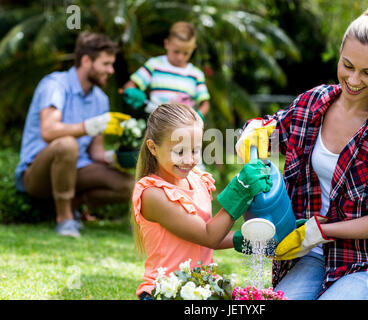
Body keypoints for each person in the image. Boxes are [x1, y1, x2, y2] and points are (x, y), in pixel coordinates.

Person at [236, 8, 368, 299]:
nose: (354, 79)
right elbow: (273, 132)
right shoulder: (314, 103)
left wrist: (318, 232)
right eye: (347, 65)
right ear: (339, 54)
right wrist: (252, 131)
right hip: (312, 255)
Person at [131, 103, 272, 300]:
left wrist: (252, 240)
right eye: (179, 152)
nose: (188, 159)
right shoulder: (152, 193)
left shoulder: (197, 179)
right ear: (153, 148)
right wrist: (240, 190)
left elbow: (205, 233)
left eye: (195, 150)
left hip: (202, 289)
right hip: (164, 293)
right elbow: (208, 236)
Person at [15, 32, 135, 238]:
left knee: (132, 185)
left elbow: (96, 151)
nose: (111, 70)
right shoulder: (55, 85)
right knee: (67, 145)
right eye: (106, 64)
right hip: (38, 174)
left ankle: (72, 206)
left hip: (78, 170)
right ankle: (64, 220)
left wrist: (116, 158)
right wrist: (88, 126)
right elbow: (49, 131)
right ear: (87, 61)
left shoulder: (100, 99)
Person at [122, 21, 210, 121]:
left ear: (193, 48)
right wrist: (131, 92)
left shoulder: (196, 74)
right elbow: (130, 85)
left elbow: (205, 103)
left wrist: (197, 116)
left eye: (186, 53)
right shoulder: (154, 65)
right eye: (176, 51)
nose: (180, 57)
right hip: (156, 123)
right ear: (167, 44)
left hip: (182, 125)